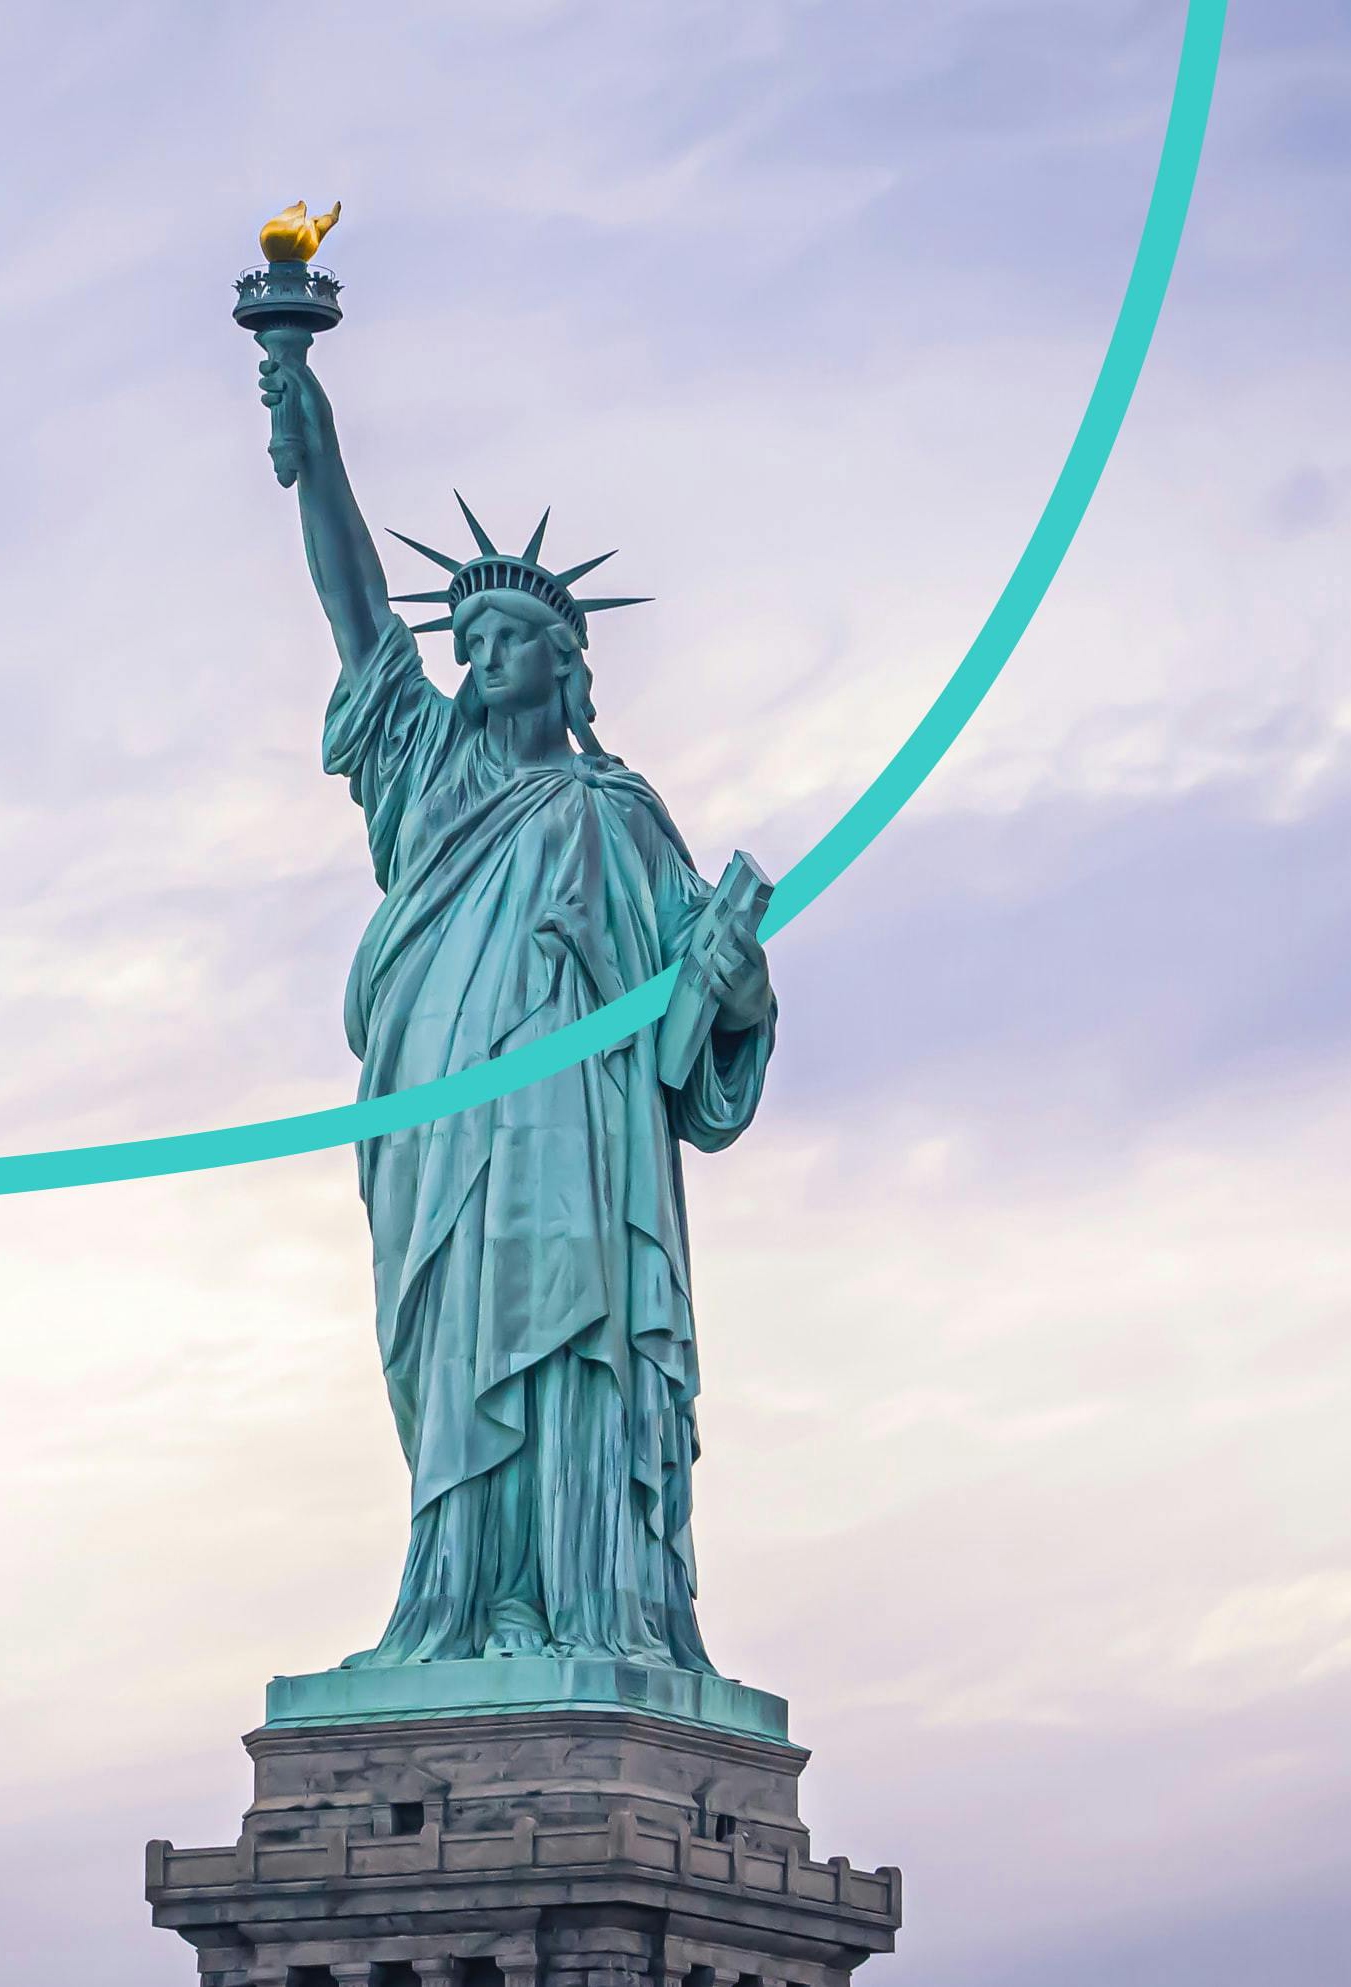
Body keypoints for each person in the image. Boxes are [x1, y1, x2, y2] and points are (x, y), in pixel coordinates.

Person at [256, 339, 779, 1672]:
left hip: (572, 1129)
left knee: (570, 1340)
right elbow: (353, 600)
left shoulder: (616, 815)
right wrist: (301, 404)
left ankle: (583, 1603)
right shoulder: (420, 761)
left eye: (507, 642)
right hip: (440, 1116)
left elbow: (688, 1045)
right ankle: (462, 1596)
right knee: (452, 1342)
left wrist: (728, 977)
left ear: (564, 666)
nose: (480, 657)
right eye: (468, 640)